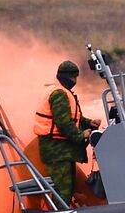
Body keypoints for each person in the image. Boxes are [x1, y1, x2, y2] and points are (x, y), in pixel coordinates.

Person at [33, 60, 101, 203]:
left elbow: (74, 118)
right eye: (73, 77)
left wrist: (89, 123)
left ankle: (65, 212)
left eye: (76, 77)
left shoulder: (62, 92)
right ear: (65, 76)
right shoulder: (59, 94)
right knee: (62, 188)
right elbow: (63, 123)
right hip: (56, 150)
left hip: (62, 149)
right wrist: (80, 135)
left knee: (68, 186)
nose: (74, 80)